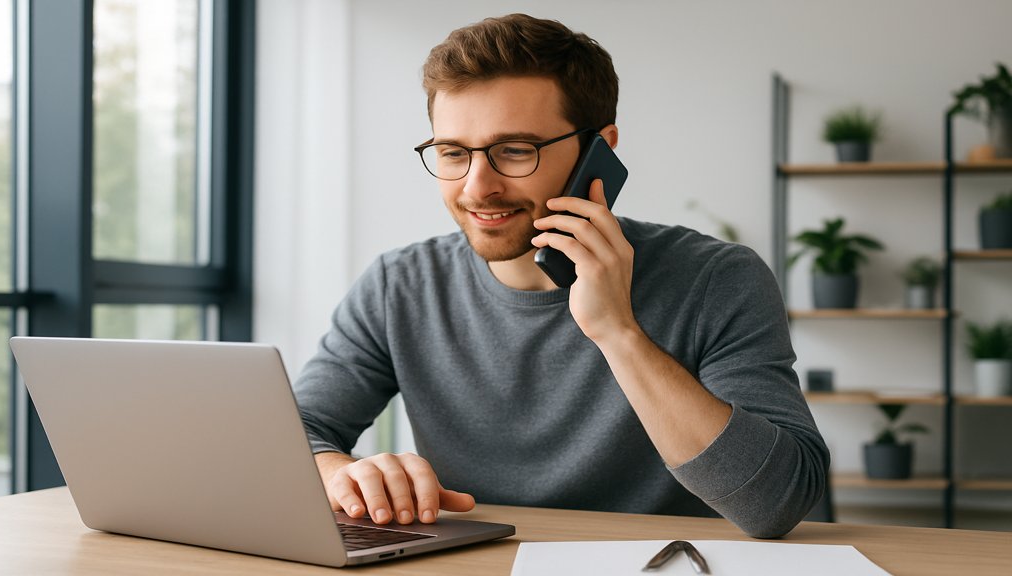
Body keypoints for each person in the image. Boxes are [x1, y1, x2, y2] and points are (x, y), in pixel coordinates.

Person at [293, 13, 828, 539]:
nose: (478, 187)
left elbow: (775, 503)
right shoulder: (399, 284)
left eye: (515, 151)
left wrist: (617, 332)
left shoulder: (716, 278)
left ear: (602, 149)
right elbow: (293, 436)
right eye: (454, 153)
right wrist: (343, 474)